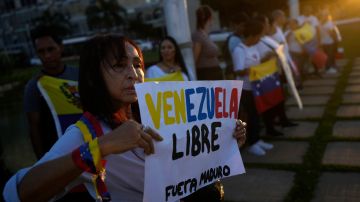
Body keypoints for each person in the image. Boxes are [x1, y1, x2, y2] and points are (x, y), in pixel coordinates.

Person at [3, 34, 247, 202]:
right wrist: (100, 148)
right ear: (93, 76)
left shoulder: (157, 115)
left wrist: (225, 139)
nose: (134, 74)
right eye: (119, 65)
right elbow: (18, 193)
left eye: (137, 64)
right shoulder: (87, 133)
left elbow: (188, 163)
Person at [24, 25, 79, 159]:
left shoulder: (79, 75)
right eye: (41, 51)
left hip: (87, 146)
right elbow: (34, 128)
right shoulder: (34, 86)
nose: (47, 55)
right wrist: (42, 162)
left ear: (60, 47)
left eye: (51, 49)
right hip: (58, 155)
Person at [231, 20, 273, 156]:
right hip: (245, 89)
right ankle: (252, 143)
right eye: (259, 36)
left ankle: (257, 139)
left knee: (256, 114)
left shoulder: (253, 47)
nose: (260, 39)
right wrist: (251, 70)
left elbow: (257, 63)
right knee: (250, 116)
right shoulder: (239, 50)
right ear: (253, 35)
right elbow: (238, 70)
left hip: (255, 87)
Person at [192, 5, 222, 80]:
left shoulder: (205, 35)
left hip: (214, 74)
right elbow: (195, 57)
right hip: (206, 75)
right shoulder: (198, 35)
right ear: (209, 17)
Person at [223, 12, 249, 79]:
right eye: (242, 25)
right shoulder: (233, 39)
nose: (244, 28)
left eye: (246, 26)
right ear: (235, 25)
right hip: (235, 75)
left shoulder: (241, 37)